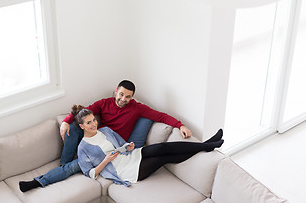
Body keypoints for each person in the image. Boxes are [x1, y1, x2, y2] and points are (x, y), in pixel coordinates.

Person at [19, 80, 192, 192]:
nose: (123, 99)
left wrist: (180, 125)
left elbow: (160, 116)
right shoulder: (104, 104)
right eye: (121, 94)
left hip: (116, 147)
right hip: (97, 146)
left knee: (72, 168)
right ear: (116, 91)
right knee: (70, 158)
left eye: (128, 97)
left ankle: (37, 182)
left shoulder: (137, 108)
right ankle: (42, 178)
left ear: (132, 97)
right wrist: (65, 121)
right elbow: (83, 112)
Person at [76, 107, 223, 185]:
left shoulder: (105, 131)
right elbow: (90, 173)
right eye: (89, 123)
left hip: (131, 156)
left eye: (94, 120)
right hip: (125, 171)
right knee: (163, 159)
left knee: (162, 147)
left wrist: (128, 146)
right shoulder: (83, 147)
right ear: (82, 126)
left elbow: (122, 144)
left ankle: (206, 145)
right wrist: (106, 160)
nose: (94, 124)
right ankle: (207, 146)